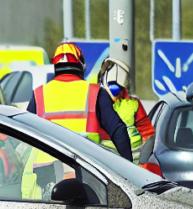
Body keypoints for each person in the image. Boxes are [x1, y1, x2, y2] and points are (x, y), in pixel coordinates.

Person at [22, 42, 132, 199]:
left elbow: (24, 135)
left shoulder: (39, 94)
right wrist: (129, 172)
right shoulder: (95, 92)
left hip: (47, 174)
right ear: (81, 66)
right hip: (85, 169)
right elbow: (118, 131)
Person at [97, 57, 155, 163]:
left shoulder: (133, 103)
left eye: (117, 88)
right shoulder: (97, 101)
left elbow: (148, 134)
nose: (116, 93)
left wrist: (144, 160)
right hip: (105, 160)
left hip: (133, 162)